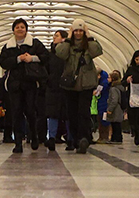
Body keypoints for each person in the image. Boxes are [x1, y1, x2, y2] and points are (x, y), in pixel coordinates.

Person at [0, 18, 48, 152]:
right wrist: (18, 59)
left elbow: (46, 57)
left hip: (30, 83)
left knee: (31, 111)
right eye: (17, 27)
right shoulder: (8, 46)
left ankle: (34, 136)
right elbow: (2, 62)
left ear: (26, 29)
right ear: (13, 30)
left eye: (22, 27)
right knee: (16, 112)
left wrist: (32, 58)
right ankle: (18, 143)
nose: (20, 29)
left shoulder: (34, 44)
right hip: (15, 85)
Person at [55, 18, 103, 153]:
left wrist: (89, 36)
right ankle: (75, 138)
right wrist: (68, 38)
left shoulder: (89, 44)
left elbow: (97, 50)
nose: (78, 33)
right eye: (76, 30)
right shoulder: (67, 45)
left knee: (84, 112)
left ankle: (84, 138)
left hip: (86, 84)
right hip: (70, 84)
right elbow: (60, 53)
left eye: (80, 31)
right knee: (72, 114)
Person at [43, 30, 69, 151]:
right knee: (52, 113)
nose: (54, 37)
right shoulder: (50, 55)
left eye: (57, 35)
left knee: (68, 113)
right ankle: (52, 137)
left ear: (64, 39)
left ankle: (70, 137)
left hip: (67, 86)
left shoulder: (69, 53)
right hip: (53, 87)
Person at [106, 71, 125, 144]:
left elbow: (114, 100)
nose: (108, 79)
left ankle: (116, 138)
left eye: (109, 77)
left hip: (115, 109)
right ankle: (116, 138)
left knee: (115, 124)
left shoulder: (113, 89)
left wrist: (110, 109)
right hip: (119, 108)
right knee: (117, 123)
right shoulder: (120, 87)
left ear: (113, 79)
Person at [94, 69, 111, 143]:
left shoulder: (103, 84)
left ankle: (104, 137)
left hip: (103, 105)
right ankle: (102, 137)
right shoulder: (103, 83)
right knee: (102, 121)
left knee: (103, 121)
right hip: (102, 104)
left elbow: (98, 93)